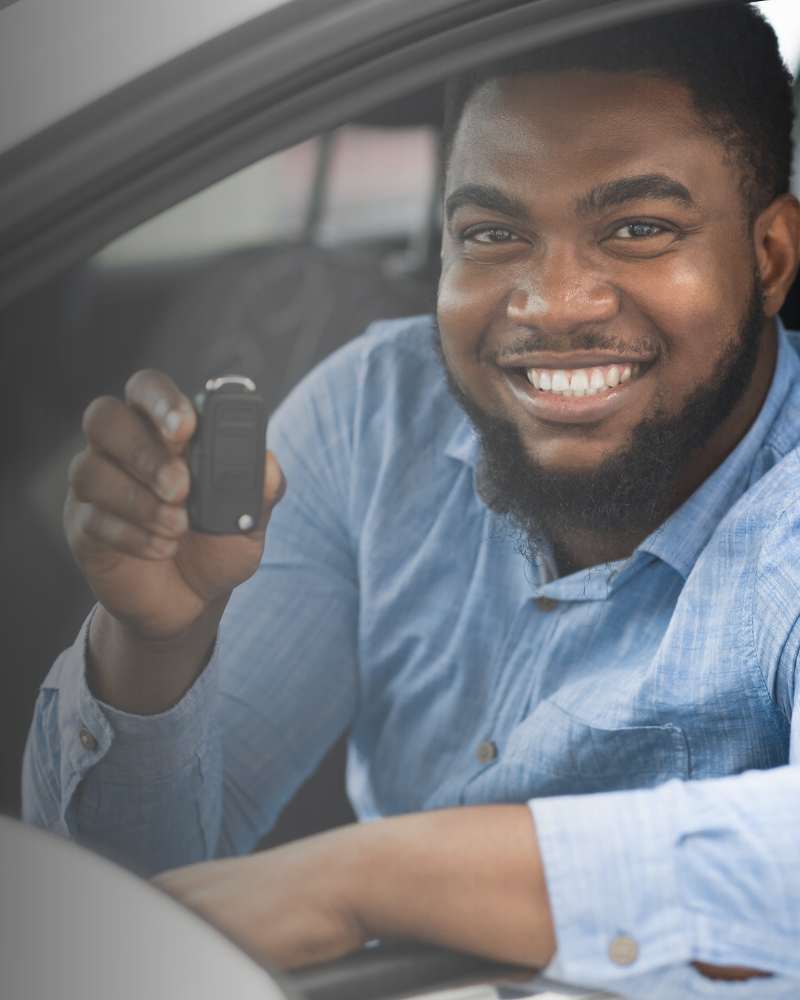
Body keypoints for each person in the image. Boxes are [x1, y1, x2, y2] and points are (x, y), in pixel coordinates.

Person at [22, 6, 800, 995]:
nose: (551, 303)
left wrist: (356, 881)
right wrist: (156, 642)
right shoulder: (372, 416)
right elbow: (128, 906)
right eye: (492, 233)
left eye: (637, 229)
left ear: (769, 256)